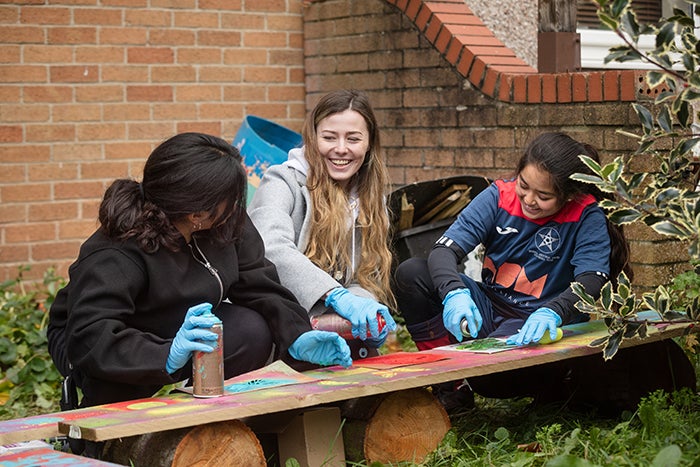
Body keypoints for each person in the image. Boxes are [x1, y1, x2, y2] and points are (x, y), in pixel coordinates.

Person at [47, 132, 353, 414]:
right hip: (100, 336)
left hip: (176, 321)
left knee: (249, 330)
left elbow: (260, 284)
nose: (237, 204)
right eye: (230, 198)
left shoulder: (224, 223)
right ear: (196, 213)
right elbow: (91, 337)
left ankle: (209, 419)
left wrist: (297, 333)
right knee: (114, 381)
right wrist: (164, 355)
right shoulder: (115, 252)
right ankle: (108, 434)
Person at [393, 132, 694, 413]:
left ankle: (554, 382)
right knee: (412, 273)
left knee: (491, 379)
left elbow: (592, 279)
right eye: (524, 185)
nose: (528, 200)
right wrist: (454, 292)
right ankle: (451, 385)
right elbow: (444, 251)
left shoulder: (586, 214)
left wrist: (554, 311)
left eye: (543, 196)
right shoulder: (499, 195)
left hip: (540, 322)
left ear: (568, 196)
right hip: (490, 305)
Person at [248, 89, 397, 358]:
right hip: (279, 324)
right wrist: (334, 295)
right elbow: (269, 246)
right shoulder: (282, 182)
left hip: (333, 325)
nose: (340, 149)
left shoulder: (371, 200)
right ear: (313, 138)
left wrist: (364, 308)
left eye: (353, 138)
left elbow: (363, 277)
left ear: (369, 144)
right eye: (329, 137)